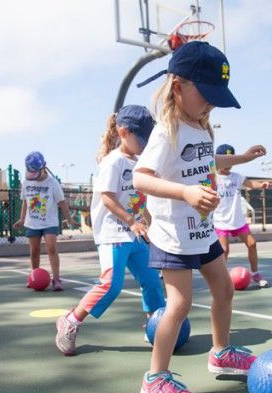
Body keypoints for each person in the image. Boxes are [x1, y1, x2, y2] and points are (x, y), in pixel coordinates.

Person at [133, 41, 266, 393]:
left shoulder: (202, 129)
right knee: (179, 304)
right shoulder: (167, 131)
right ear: (179, 86)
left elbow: (212, 164)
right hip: (173, 235)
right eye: (205, 95)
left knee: (224, 289)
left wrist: (244, 157)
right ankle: (155, 377)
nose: (210, 104)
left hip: (202, 231)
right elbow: (141, 179)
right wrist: (186, 194)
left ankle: (221, 353)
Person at [54, 105, 166, 356]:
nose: (146, 145)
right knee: (110, 285)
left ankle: (157, 325)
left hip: (134, 233)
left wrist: (147, 222)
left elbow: (141, 197)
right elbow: (107, 199)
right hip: (113, 234)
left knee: (151, 280)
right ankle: (70, 321)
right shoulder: (113, 162)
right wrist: (132, 221)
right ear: (124, 132)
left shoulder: (139, 162)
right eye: (142, 139)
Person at [14, 151, 79, 291]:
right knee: (34, 251)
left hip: (50, 222)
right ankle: (34, 276)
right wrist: (21, 218)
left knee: (51, 248)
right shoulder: (26, 182)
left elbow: (62, 202)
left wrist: (69, 219)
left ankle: (56, 279)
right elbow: (25, 201)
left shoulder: (53, 183)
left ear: (43, 167)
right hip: (32, 222)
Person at [213, 143, 272, 287]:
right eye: (225, 160)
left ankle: (255, 274)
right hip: (221, 221)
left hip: (238, 220)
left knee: (252, 244)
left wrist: (262, 185)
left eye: (231, 160)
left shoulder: (237, 177)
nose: (228, 164)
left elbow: (250, 184)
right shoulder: (213, 178)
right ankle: (222, 279)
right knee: (224, 251)